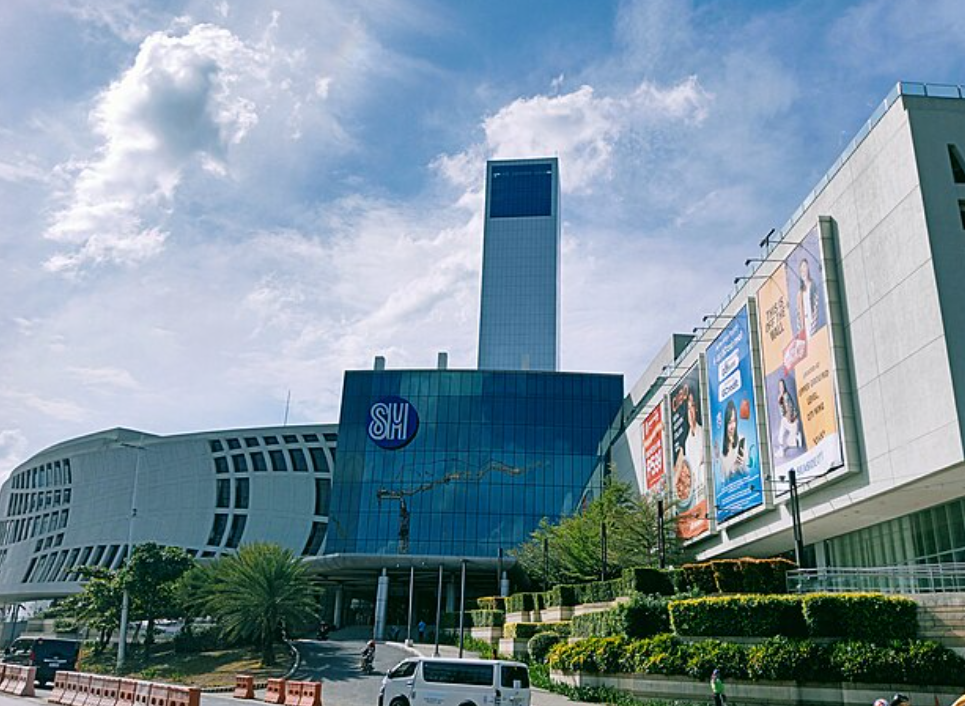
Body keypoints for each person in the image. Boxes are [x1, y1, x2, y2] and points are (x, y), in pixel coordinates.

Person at [719, 401, 746, 480]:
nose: (732, 426)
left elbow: (750, 472)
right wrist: (733, 469)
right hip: (731, 489)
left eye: (734, 421)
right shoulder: (722, 454)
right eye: (729, 422)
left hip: (745, 488)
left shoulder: (742, 440)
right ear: (725, 425)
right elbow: (723, 481)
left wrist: (743, 464)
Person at [776, 379, 802, 457]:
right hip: (786, 420)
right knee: (781, 436)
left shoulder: (786, 395)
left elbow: (790, 408)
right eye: (780, 386)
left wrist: (789, 418)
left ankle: (797, 435)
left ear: (784, 386)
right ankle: (781, 451)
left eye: (782, 386)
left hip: (792, 421)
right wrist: (779, 401)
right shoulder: (780, 397)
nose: (781, 388)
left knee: (789, 442)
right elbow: (781, 411)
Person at [796, 257, 821, 340]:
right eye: (801, 269)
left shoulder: (812, 285)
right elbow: (798, 313)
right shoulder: (800, 292)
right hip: (804, 323)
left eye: (805, 267)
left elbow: (816, 305)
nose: (803, 271)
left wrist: (814, 322)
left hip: (812, 319)